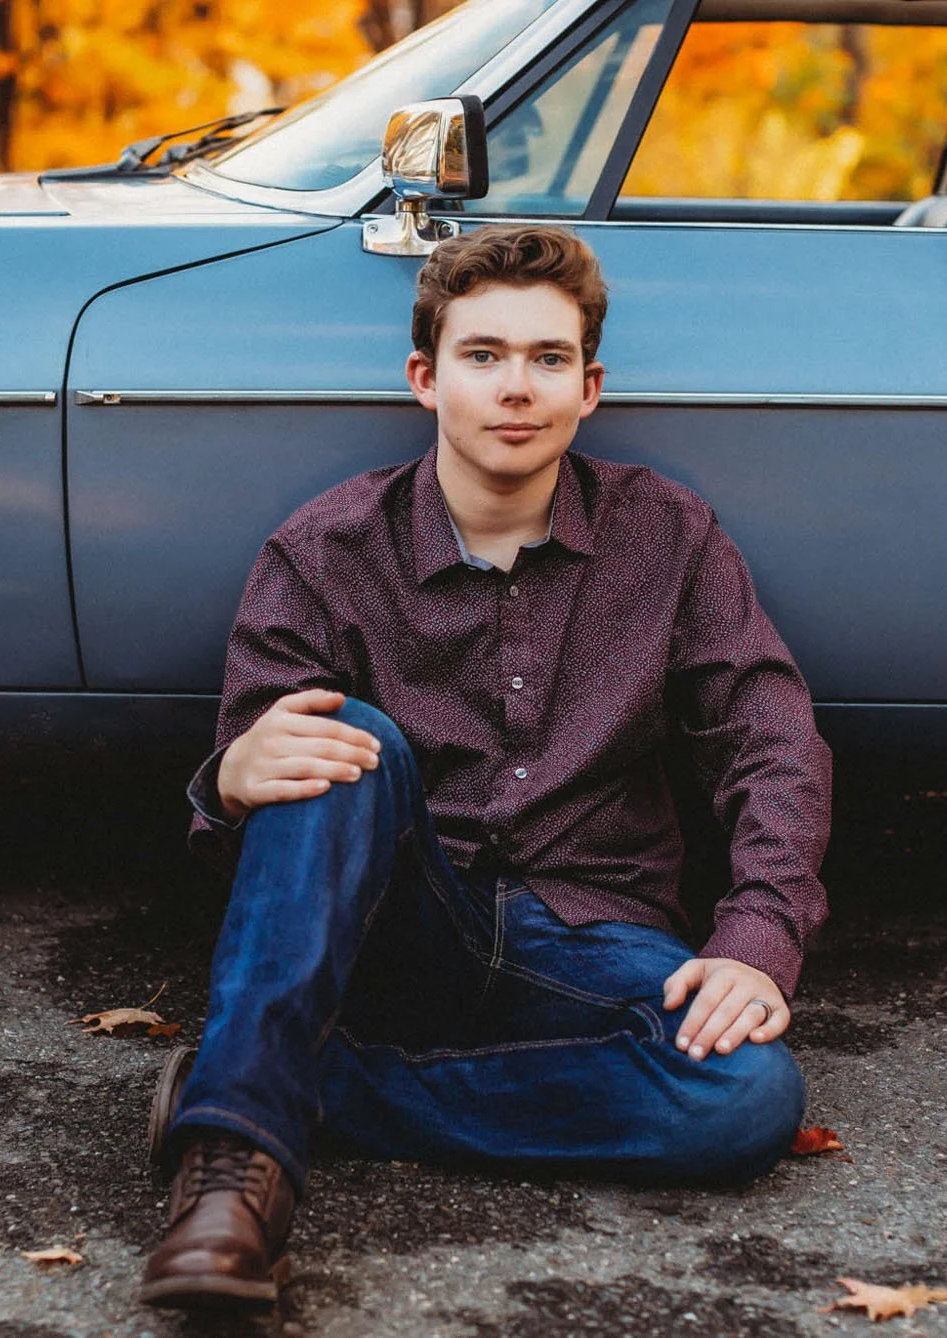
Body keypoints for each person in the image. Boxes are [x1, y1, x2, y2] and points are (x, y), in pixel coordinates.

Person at [139, 223, 831, 1311]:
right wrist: (229, 776)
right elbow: (256, 794)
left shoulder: (668, 536)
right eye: (483, 355)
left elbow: (769, 737)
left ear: (589, 386)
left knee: (743, 1097)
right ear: (423, 377)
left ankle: (292, 1087)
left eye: (547, 359)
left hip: (586, 943)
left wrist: (757, 937)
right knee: (340, 738)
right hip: (392, 931)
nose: (516, 387)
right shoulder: (324, 550)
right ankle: (229, 1174)